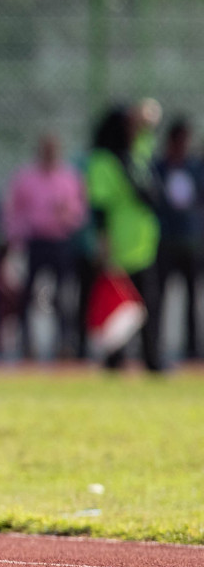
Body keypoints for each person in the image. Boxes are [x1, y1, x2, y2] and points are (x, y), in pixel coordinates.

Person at [87, 105, 164, 371]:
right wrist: (103, 242)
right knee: (118, 306)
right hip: (119, 243)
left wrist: (144, 116)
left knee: (149, 305)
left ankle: (151, 358)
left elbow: (149, 132)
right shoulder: (103, 161)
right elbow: (100, 207)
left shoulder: (135, 156)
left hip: (145, 242)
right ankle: (114, 359)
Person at [4, 133, 86, 358]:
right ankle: (26, 343)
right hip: (36, 241)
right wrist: (16, 237)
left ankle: (65, 343)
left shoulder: (68, 178)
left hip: (60, 241)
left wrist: (65, 215)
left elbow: (79, 211)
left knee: (63, 297)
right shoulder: (26, 177)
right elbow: (14, 211)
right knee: (27, 295)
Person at [153, 119, 202, 360]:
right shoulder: (158, 167)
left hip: (190, 241)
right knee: (158, 296)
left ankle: (193, 347)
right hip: (165, 240)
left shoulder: (195, 167)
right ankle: (155, 344)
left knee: (192, 298)